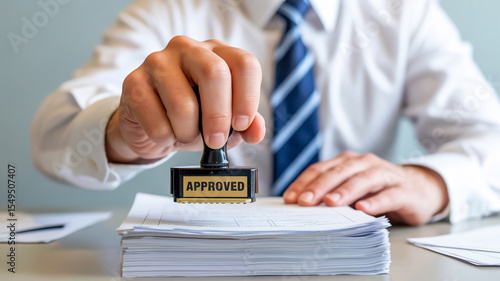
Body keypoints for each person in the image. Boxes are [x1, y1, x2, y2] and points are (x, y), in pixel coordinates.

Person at [31, 0, 500, 225]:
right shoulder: (168, 11)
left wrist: (433, 182)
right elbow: (53, 139)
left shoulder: (404, 12)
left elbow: (491, 139)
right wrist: (120, 132)